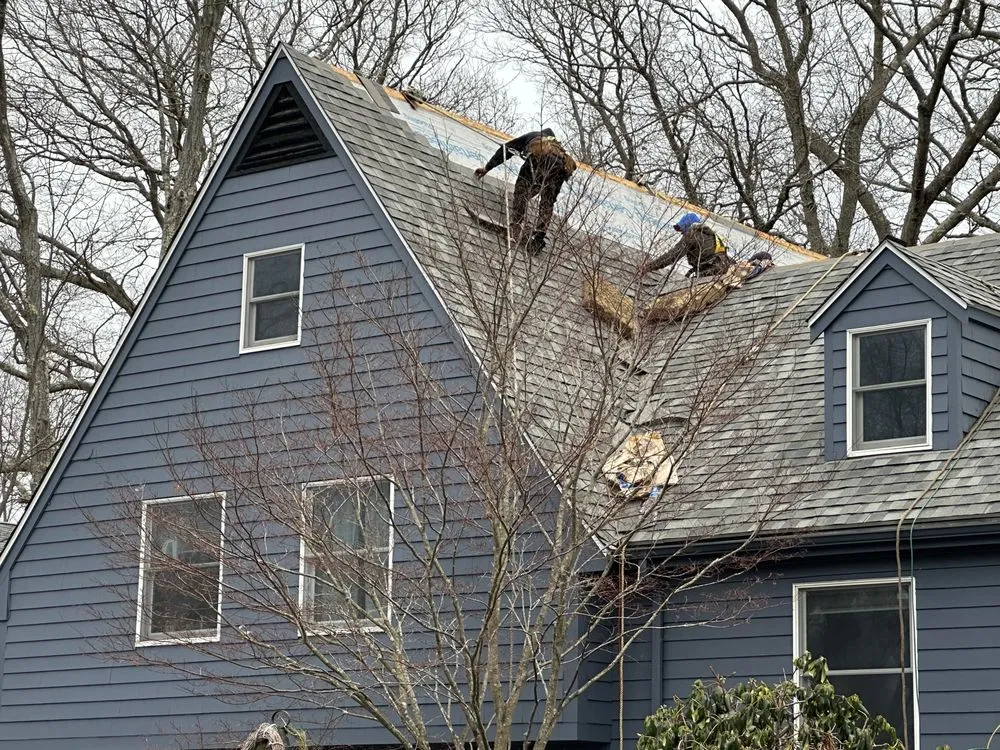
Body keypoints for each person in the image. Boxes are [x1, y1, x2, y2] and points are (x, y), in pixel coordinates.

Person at [474, 128, 576, 254]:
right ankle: (538, 238)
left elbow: (505, 150)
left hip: (539, 159)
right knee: (547, 203)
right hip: (560, 167)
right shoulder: (559, 149)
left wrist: (487, 168)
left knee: (521, 192)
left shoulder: (533, 136)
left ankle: (516, 226)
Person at [639, 212, 733, 277]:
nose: (681, 233)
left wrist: (649, 267)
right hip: (724, 268)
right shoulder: (710, 235)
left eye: (682, 230)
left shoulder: (692, 235)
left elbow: (673, 255)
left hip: (712, 271)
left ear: (688, 226)